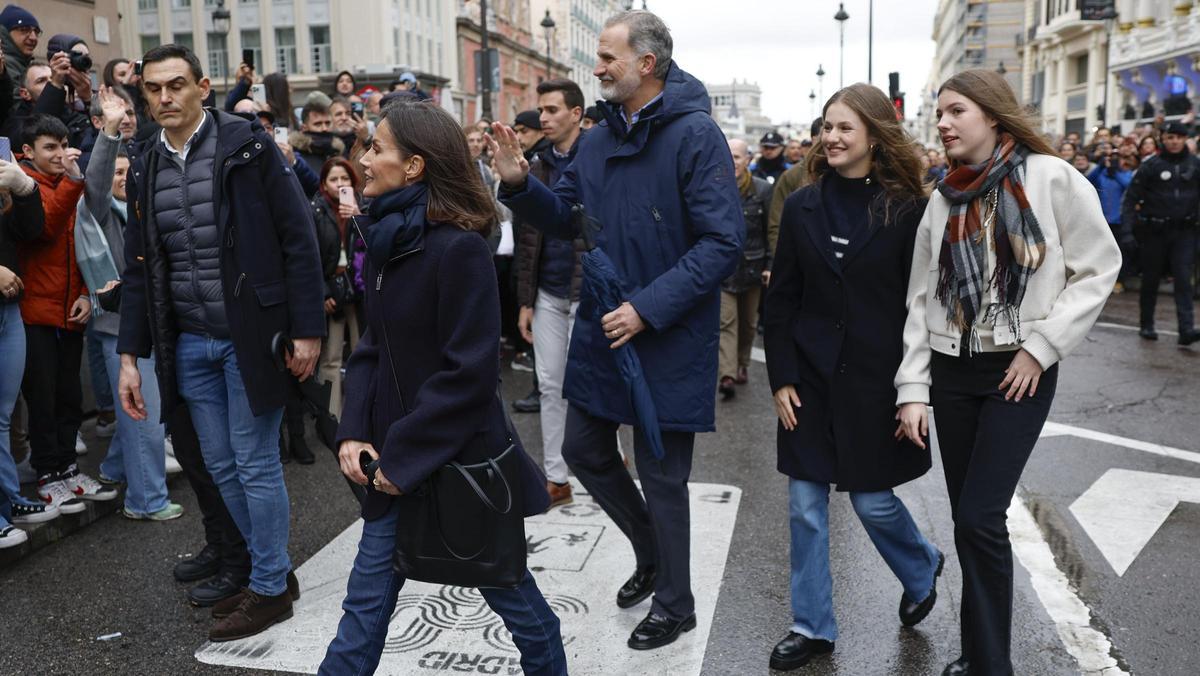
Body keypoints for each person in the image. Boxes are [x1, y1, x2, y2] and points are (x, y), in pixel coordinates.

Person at [491, 9, 743, 650]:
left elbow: (723, 245)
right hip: (604, 327)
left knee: (662, 476)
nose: (596, 67)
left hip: (666, 332)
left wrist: (647, 308)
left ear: (646, 65)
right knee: (583, 451)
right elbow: (565, 216)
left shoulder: (697, 136)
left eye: (607, 58)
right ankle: (652, 550)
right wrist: (519, 182)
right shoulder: (598, 139)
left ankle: (676, 603)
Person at [321, 98, 567, 676]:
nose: (364, 157)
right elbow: (372, 348)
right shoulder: (381, 238)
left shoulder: (458, 248)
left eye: (376, 147)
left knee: (520, 609)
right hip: (395, 462)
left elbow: (469, 375)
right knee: (361, 617)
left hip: (455, 463)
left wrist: (400, 458)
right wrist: (353, 430)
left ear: (414, 166)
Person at [895, 69, 1121, 676]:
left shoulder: (1053, 179)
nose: (942, 123)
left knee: (978, 517)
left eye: (955, 111)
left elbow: (1099, 268)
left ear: (992, 116)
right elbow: (921, 301)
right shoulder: (943, 198)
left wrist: (1041, 347)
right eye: (939, 113)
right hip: (951, 371)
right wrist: (913, 389)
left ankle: (991, 665)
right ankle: (981, 654)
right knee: (972, 526)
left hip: (1018, 372)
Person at [116, 44, 324, 641]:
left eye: (175, 85)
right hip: (187, 341)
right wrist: (130, 358)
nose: (164, 98)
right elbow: (139, 267)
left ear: (203, 87)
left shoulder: (248, 145)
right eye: (152, 89)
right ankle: (270, 574)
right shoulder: (146, 159)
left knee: (255, 463)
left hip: (250, 336)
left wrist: (308, 328)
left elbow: (298, 237)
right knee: (220, 467)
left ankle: (268, 586)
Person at [764, 83, 942, 672]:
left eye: (844, 127)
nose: (832, 138)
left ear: (873, 134)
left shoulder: (908, 208)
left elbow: (921, 304)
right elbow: (782, 297)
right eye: (826, 127)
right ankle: (811, 626)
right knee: (806, 508)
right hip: (810, 378)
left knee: (871, 501)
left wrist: (914, 385)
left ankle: (920, 566)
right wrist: (781, 376)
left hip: (875, 379)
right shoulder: (801, 205)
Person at [74, 86, 182, 521]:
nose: (121, 178)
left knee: (135, 413)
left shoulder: (142, 214)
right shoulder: (97, 212)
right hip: (118, 330)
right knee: (144, 418)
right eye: (115, 173)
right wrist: (112, 134)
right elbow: (96, 183)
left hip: (151, 325)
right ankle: (146, 501)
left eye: (126, 172)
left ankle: (116, 469)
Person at [18, 114, 117, 511]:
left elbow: (78, 251)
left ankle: (68, 470)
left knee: (69, 395)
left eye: (63, 146)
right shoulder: (22, 187)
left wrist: (83, 296)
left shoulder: (65, 185)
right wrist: (74, 181)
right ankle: (47, 473)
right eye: (50, 148)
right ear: (28, 152)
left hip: (68, 310)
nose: (60, 155)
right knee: (42, 398)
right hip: (34, 313)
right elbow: (43, 228)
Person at [514, 78, 589, 509]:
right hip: (548, 291)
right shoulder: (536, 164)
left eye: (553, 110)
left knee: (592, 383)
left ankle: (607, 457)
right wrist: (525, 301)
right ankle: (557, 477)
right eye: (540, 110)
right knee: (548, 383)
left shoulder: (599, 157)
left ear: (576, 113)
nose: (543, 118)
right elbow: (528, 240)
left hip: (590, 292)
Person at [1, 151, 60, 536]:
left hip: (9, 306)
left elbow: (32, 229)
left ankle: (6, 497)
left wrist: (23, 188)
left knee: (3, 415)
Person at [1121, 120, 1200, 345]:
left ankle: (1186, 330)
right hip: (1154, 232)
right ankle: (1147, 324)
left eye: (1178, 137)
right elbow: (1130, 199)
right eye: (1170, 137)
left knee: (1184, 281)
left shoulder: (1195, 165)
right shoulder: (1151, 165)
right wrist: (1127, 232)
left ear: (1185, 139)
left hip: (1185, 232)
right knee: (1151, 280)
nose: (1174, 142)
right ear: (1163, 139)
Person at [311, 156, 363, 420]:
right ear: (323, 184)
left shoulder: (362, 207)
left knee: (362, 351)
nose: (340, 184)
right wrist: (323, 292)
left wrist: (358, 217)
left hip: (359, 289)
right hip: (333, 288)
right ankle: (332, 417)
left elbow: (371, 247)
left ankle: (362, 412)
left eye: (345, 179)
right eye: (334, 179)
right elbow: (311, 256)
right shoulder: (316, 211)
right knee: (331, 357)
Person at [718, 138, 771, 400]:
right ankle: (726, 374)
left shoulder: (761, 190)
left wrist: (770, 265)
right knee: (726, 321)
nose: (732, 162)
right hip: (724, 270)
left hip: (752, 268)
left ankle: (742, 363)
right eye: (728, 156)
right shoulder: (715, 187)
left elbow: (770, 231)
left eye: (737, 157)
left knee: (749, 324)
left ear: (748, 160)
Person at [1087, 147, 1134, 293]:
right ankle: (1100, 281)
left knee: (1120, 253)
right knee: (1101, 253)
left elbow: (1129, 186)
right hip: (1102, 220)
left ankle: (1119, 281)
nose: (1113, 160)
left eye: (1116, 158)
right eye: (1110, 158)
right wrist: (1101, 165)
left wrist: (1115, 172)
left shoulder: (1125, 174)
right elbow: (1087, 180)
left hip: (1119, 221)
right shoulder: (1101, 174)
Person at [0, 4, 38, 97]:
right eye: (24, 30)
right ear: (5, 33)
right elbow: (15, 106)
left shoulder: (25, 64)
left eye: (36, 31)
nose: (33, 37)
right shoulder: (4, 66)